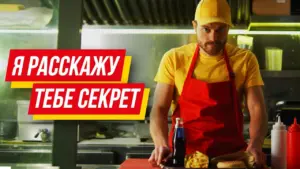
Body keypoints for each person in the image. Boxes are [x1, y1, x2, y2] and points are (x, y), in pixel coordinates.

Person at [148, 0, 268, 168]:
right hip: (186, 159)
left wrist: (255, 143)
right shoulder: (174, 59)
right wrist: (161, 143)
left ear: (228, 28)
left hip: (231, 159)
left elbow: (257, 110)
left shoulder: (245, 60)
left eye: (220, 29)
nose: (213, 37)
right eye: (206, 29)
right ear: (194, 26)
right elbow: (159, 109)